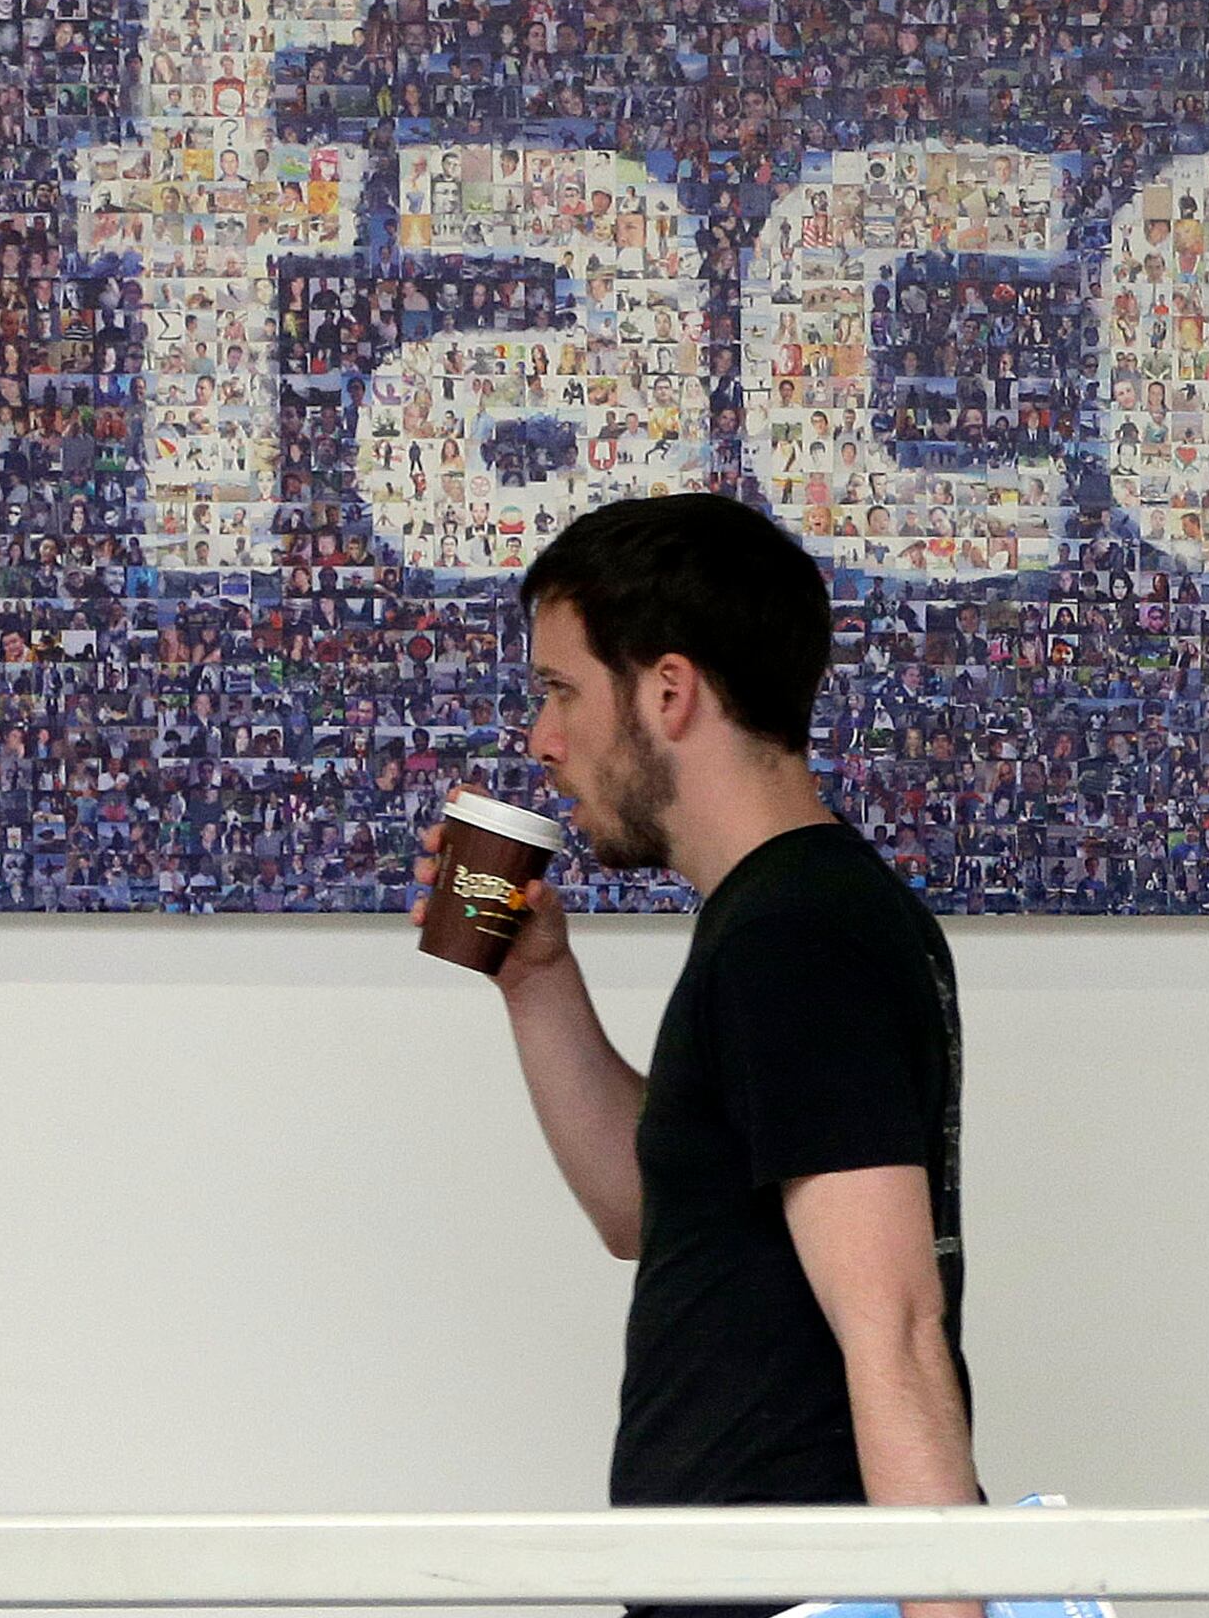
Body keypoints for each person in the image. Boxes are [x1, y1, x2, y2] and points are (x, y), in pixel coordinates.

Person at [410, 491, 979, 1618]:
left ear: (668, 693)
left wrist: (949, 1614)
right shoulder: (777, 920)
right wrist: (537, 984)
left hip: (802, 1601)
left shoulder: (798, 934)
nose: (542, 738)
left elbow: (897, 1326)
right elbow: (645, 1213)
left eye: (561, 690)